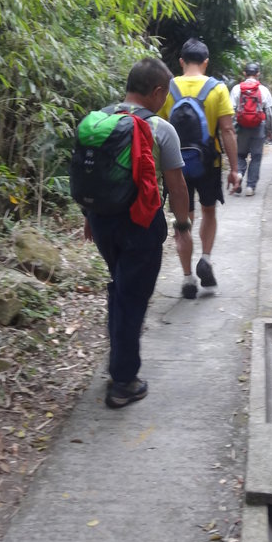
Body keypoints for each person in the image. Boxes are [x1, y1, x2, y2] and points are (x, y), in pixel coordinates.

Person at [83, 58, 192, 408]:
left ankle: (118, 360)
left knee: (120, 287)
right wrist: (182, 225)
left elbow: (89, 175)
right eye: (166, 93)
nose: (165, 100)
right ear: (157, 92)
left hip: (102, 221)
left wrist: (89, 215)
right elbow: (177, 185)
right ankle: (123, 382)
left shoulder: (100, 120)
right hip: (140, 225)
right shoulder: (161, 128)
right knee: (132, 298)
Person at [158, 38, 240, 298]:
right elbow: (227, 130)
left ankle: (187, 279)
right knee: (208, 211)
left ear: (181, 61)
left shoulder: (167, 89)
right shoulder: (217, 89)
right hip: (208, 163)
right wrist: (234, 169)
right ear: (206, 62)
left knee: (183, 221)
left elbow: (157, 130)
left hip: (175, 166)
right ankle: (205, 258)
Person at [229, 60, 272, 197]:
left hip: (241, 127)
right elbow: (270, 114)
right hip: (258, 127)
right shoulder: (263, 90)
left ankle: (239, 174)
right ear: (258, 74)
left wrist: (232, 129)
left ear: (244, 73)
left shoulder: (237, 89)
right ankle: (250, 187)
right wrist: (270, 131)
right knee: (256, 157)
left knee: (240, 154)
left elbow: (231, 111)